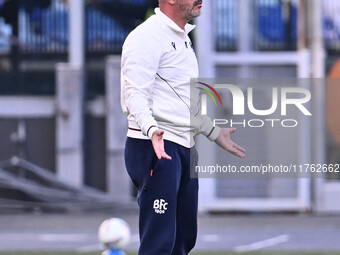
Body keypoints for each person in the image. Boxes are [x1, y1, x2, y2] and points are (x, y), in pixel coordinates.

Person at [121, 0, 246, 254]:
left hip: (183, 147)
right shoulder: (145, 37)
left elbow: (181, 102)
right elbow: (133, 94)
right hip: (156, 148)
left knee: (184, 239)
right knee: (159, 242)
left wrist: (213, 131)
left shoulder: (184, 38)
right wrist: (150, 129)